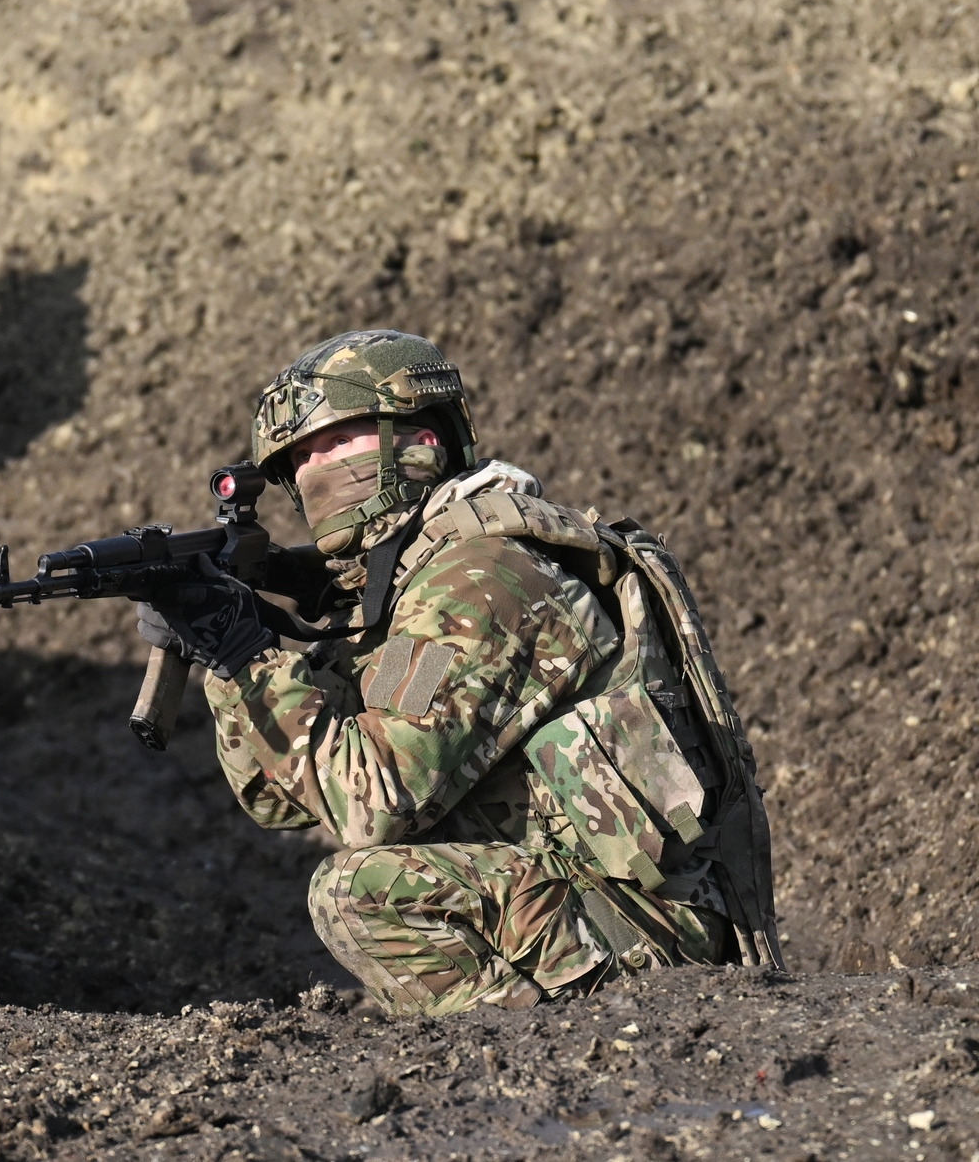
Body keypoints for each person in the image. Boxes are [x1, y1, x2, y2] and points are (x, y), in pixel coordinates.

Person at [138, 330, 782, 1016]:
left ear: (420, 441)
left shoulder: (484, 577)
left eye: (336, 440)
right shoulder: (406, 591)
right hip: (572, 902)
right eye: (297, 455)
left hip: (644, 932)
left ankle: (529, 1053)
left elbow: (370, 804)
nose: (311, 465)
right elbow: (285, 798)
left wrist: (249, 653)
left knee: (357, 889)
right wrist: (230, 664)